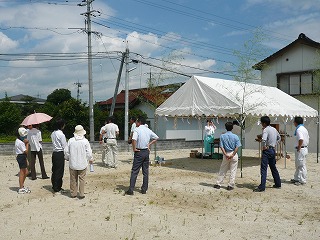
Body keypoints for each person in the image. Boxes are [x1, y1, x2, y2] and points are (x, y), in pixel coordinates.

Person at [125, 116, 159, 195]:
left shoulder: (137, 130)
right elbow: (156, 137)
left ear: (139, 122)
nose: (135, 123)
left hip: (139, 151)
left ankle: (131, 189)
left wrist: (134, 148)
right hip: (146, 152)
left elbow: (133, 139)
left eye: (136, 122)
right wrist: (149, 144)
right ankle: (144, 189)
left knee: (134, 171)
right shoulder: (148, 130)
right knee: (145, 171)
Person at [64, 125, 93, 199]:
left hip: (73, 163)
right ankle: (81, 193)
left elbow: (66, 151)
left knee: (73, 179)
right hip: (82, 163)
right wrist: (89, 159)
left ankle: (73, 193)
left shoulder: (71, 140)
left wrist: (67, 158)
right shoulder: (85, 141)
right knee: (82, 179)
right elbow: (89, 152)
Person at [253, 116, 281, 192]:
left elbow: (264, 140)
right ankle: (278, 183)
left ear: (264, 123)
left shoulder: (265, 130)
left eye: (262, 123)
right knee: (273, 167)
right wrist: (275, 144)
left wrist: (264, 147)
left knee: (263, 168)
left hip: (267, 151)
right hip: (272, 150)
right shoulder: (274, 129)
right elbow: (279, 138)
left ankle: (262, 187)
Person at [213, 122, 241, 190]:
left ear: (225, 128)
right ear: (232, 128)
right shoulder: (235, 136)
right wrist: (233, 154)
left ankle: (218, 183)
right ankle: (230, 185)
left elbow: (221, 147)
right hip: (233, 154)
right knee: (233, 170)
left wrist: (225, 154)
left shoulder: (222, 136)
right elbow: (237, 147)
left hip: (226, 153)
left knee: (223, 169)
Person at [291, 116, 309, 186]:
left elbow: (301, 139)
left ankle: (302, 180)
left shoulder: (299, 130)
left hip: (301, 149)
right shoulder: (304, 129)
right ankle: (297, 178)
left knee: (301, 165)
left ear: (296, 122)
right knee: (298, 164)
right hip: (303, 148)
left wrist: (299, 146)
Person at [51, 119, 67, 194]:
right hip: (60, 153)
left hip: (54, 153)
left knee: (54, 170)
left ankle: (54, 185)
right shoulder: (61, 134)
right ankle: (57, 188)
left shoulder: (53, 133)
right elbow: (64, 146)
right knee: (59, 171)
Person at [15, 127, 31, 194]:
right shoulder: (20, 143)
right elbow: (26, 151)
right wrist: (27, 144)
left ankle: (22, 186)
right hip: (21, 156)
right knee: (22, 172)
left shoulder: (18, 141)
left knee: (26, 171)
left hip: (22, 157)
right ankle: (21, 188)